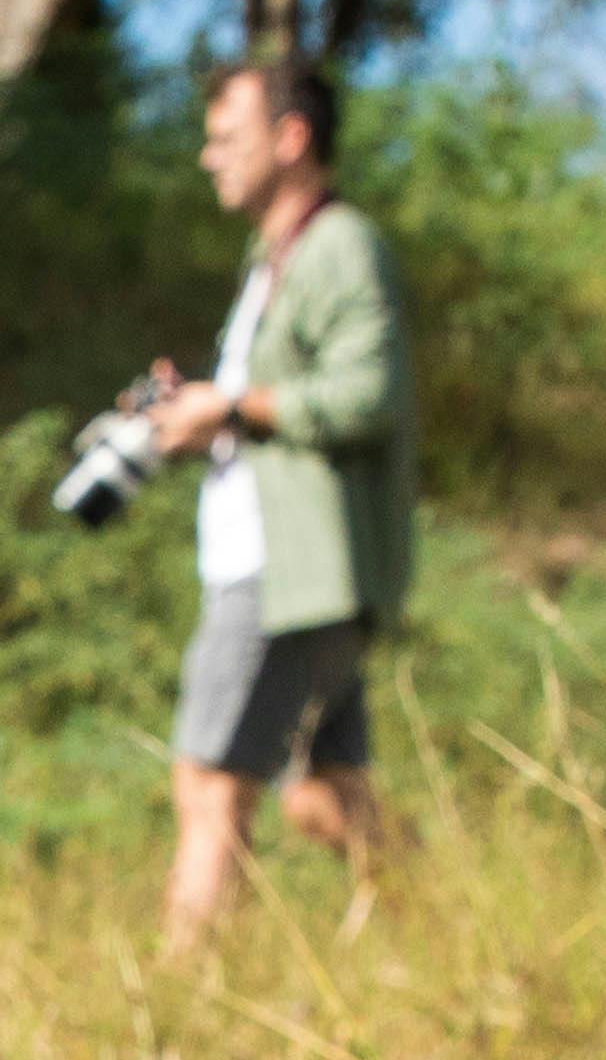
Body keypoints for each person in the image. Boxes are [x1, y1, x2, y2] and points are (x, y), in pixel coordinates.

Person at [154, 51, 415, 946]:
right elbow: (284, 402)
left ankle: (175, 1005)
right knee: (321, 798)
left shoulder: (338, 246)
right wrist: (203, 414)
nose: (208, 157)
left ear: (290, 136)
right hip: (288, 570)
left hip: (285, 574)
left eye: (226, 137)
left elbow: (369, 394)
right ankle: (450, 928)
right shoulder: (273, 259)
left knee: (209, 785)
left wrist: (229, 407)